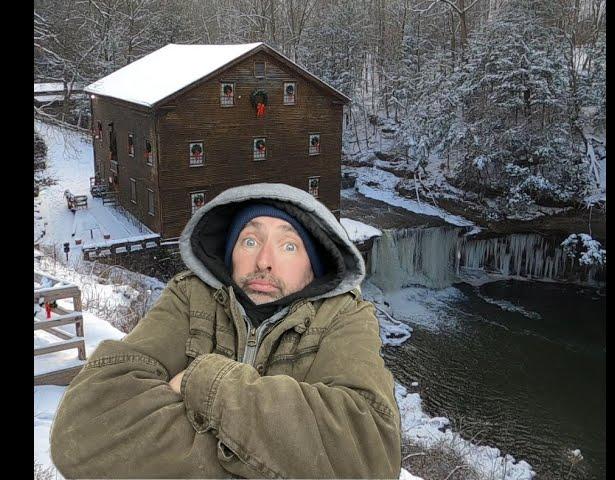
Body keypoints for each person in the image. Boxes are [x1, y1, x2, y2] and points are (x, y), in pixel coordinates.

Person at [50, 182, 402, 479]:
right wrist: (272, 459)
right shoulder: (190, 297)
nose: (264, 261)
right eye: (250, 241)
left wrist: (204, 381)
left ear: (314, 266)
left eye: (289, 246)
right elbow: (82, 431)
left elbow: (367, 453)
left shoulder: (343, 317)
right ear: (230, 253)